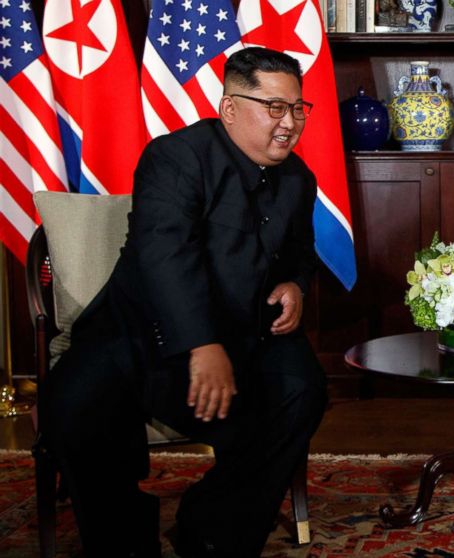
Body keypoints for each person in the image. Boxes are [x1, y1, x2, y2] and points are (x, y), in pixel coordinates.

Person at [45, 47, 328, 557]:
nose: (289, 123)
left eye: (297, 109)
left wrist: (296, 286)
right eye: (275, 107)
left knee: (301, 389)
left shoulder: (299, 180)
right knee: (74, 404)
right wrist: (202, 344)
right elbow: (163, 257)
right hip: (138, 329)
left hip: (247, 331)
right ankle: (125, 537)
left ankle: (212, 527)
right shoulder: (174, 156)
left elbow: (301, 255)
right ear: (229, 107)